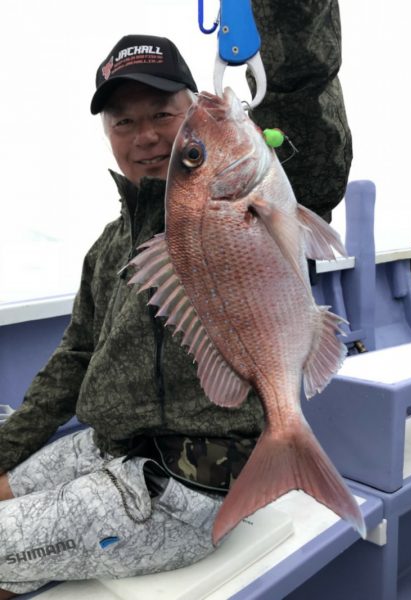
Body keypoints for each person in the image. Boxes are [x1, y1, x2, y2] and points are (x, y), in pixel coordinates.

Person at [0, 2, 351, 597]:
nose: (146, 136)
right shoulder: (108, 247)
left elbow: (311, 127)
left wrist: (283, 14)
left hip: (186, 483)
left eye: (164, 113)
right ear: (107, 135)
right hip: (105, 447)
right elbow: (71, 361)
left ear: (195, 108)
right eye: (122, 122)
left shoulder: (259, 191)